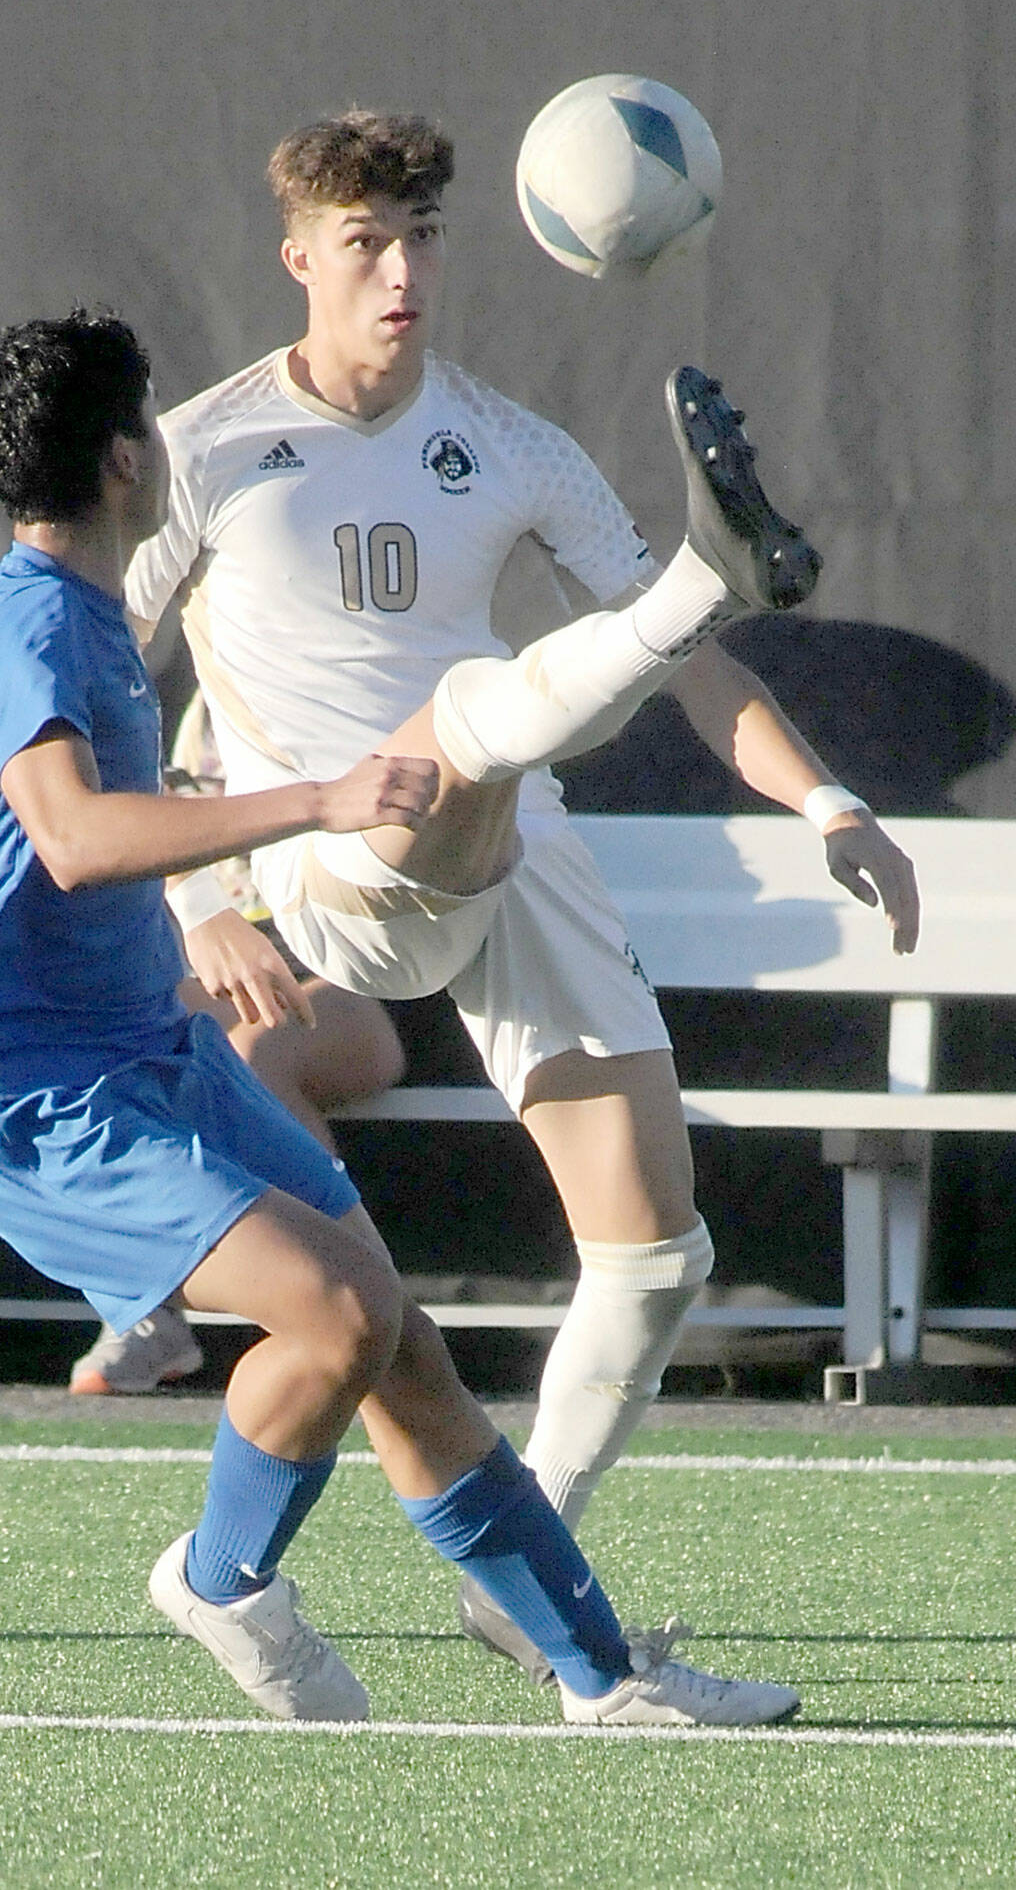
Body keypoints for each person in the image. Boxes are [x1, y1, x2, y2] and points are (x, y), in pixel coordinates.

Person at [124, 110, 921, 1683]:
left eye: (424, 236)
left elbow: (693, 682)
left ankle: (525, 1571)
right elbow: (94, 677)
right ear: (301, 261)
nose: (403, 270)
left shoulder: (510, 442)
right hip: (335, 855)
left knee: (655, 1256)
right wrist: (197, 894)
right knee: (479, 713)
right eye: (367, 243)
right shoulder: (200, 451)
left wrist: (828, 794)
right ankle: (706, 568)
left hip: (514, 839)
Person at [0, 304, 798, 1726]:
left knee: (404, 1350)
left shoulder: (79, 611)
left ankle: (599, 1679)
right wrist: (320, 801)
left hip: (156, 1051)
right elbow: (72, 838)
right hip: (29, 1094)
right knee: (339, 1315)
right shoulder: (22, 617)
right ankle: (218, 1579)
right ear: (133, 460)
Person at [68, 688, 408, 1394]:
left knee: (260, 1051)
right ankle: (148, 1307)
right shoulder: (194, 705)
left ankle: (343, 1307)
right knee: (129, 1041)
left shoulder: (349, 687)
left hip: (356, 974)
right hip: (224, 964)